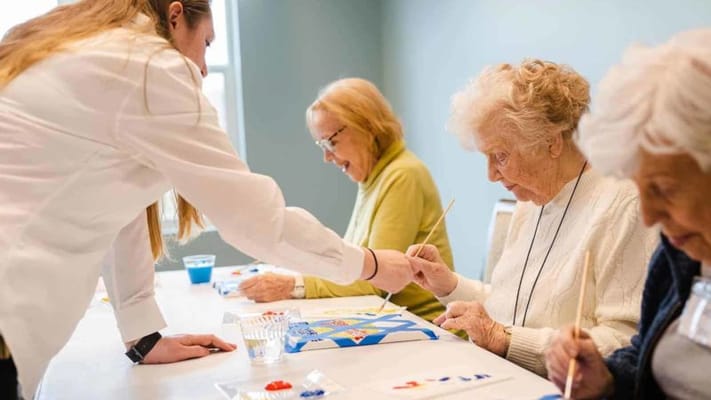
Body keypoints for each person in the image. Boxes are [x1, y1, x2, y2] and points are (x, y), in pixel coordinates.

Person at [0, 2, 413, 398]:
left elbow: (116, 208)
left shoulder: (77, 48)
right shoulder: (148, 66)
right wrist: (369, 264)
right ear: (175, 15)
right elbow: (256, 221)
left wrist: (142, 336)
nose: (202, 66)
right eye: (207, 44)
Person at [406, 59, 658, 375]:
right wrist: (448, 284)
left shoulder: (623, 204)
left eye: (500, 156)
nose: (491, 175)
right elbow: (509, 307)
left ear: (551, 143)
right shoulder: (530, 200)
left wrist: (503, 339)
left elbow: (625, 342)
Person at [545, 29, 711, 400]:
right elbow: (651, 358)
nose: (649, 216)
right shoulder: (680, 254)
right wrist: (607, 378)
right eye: (640, 189)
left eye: (664, 189)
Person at [240, 78, 455, 325]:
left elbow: (376, 280)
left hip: (425, 325)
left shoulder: (403, 175)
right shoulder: (374, 177)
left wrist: (293, 285)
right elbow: (355, 263)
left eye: (330, 142)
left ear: (366, 126)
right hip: (394, 321)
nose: (327, 157)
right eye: (321, 145)